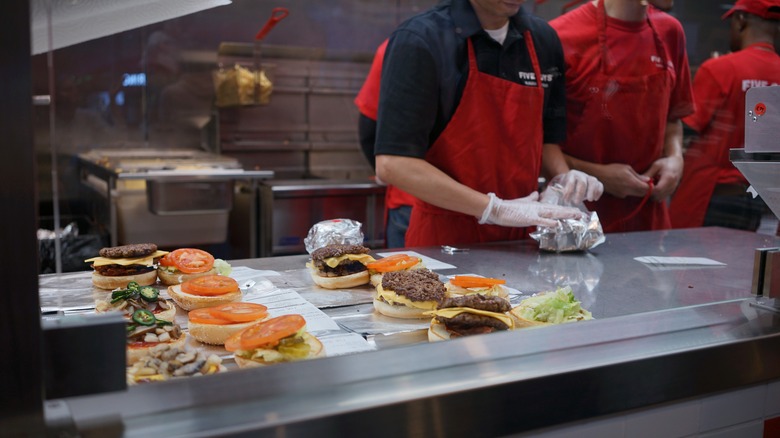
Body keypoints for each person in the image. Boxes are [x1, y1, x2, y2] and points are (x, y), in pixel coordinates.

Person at [373, 0, 603, 247]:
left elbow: (546, 140)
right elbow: (393, 164)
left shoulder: (542, 39)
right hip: (445, 238)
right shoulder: (421, 39)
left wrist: (565, 178)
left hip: (523, 237)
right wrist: (494, 209)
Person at [550, 0, 694, 233]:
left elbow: (672, 116)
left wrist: (675, 158)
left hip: (649, 221)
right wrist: (596, 175)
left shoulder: (671, 32)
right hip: (576, 219)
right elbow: (538, 141)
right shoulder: (560, 35)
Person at [670, 0, 780, 231]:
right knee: (741, 264)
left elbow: (687, 128)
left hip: (710, 197)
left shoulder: (720, 69)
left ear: (740, 21)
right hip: (756, 199)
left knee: (689, 262)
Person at [355, 39, 417, 248]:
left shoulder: (399, 44)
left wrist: (388, 171)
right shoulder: (518, 37)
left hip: (411, 196)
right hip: (502, 204)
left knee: (404, 276)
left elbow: (368, 129)